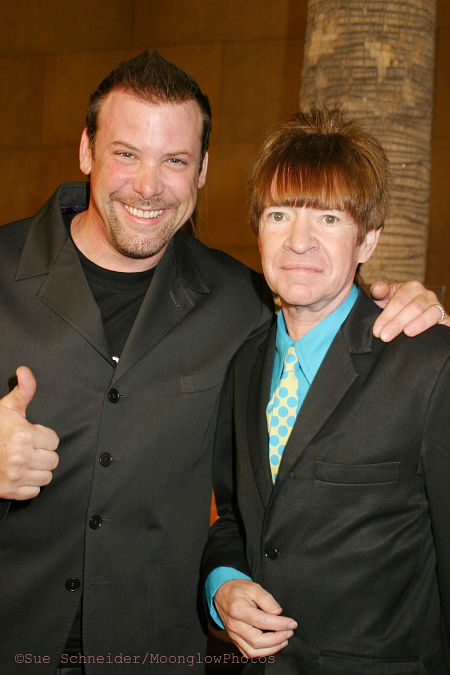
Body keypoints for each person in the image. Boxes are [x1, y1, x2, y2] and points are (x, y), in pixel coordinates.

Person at [0, 52, 445, 675]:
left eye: (175, 160)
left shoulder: (242, 303)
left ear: (203, 170)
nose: (149, 184)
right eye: (126, 153)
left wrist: (405, 301)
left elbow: (328, 310)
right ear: (86, 151)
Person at [202, 109, 450, 674]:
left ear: (368, 241)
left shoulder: (429, 362)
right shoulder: (244, 366)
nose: (299, 242)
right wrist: (223, 586)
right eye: (280, 214)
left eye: (330, 219)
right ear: (258, 230)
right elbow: (238, 518)